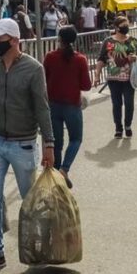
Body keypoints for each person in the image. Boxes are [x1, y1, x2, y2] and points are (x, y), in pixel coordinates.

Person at [0, 18, 55, 272]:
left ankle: (39, 246)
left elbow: (42, 107)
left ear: (15, 41)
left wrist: (48, 143)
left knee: (31, 201)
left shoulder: (33, 69)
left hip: (24, 144)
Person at [45, 26, 91, 187]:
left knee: (56, 142)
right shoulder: (80, 59)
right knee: (76, 139)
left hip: (53, 105)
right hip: (72, 105)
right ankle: (65, 169)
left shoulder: (50, 57)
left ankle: (56, 175)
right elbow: (86, 85)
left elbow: (44, 80)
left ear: (59, 39)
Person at [97, 17, 137, 137]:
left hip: (130, 78)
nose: (126, 27)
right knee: (116, 104)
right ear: (117, 27)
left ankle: (128, 125)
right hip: (113, 78)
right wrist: (97, 75)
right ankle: (118, 128)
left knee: (129, 103)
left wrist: (136, 57)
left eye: (127, 24)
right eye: (124, 25)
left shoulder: (133, 41)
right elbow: (102, 59)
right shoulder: (108, 42)